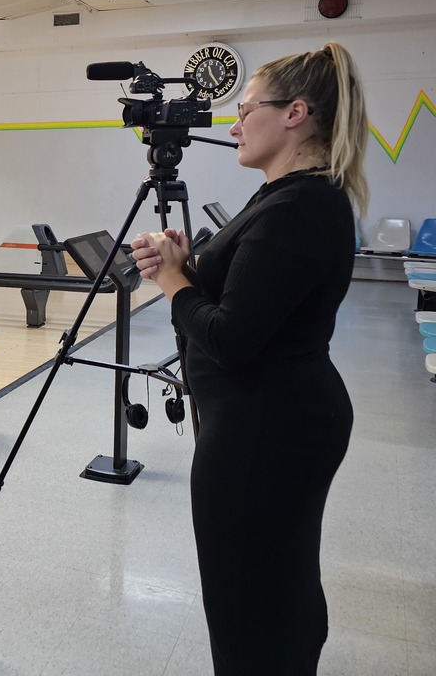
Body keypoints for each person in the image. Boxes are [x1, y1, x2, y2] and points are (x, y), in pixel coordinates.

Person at [130, 42, 368, 674]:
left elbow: (232, 338)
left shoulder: (296, 207)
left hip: (265, 429)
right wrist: (191, 263)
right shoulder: (289, 195)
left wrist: (175, 282)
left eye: (244, 109)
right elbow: (253, 291)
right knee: (275, 584)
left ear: (295, 113)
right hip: (275, 419)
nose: (233, 125)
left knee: (249, 603)